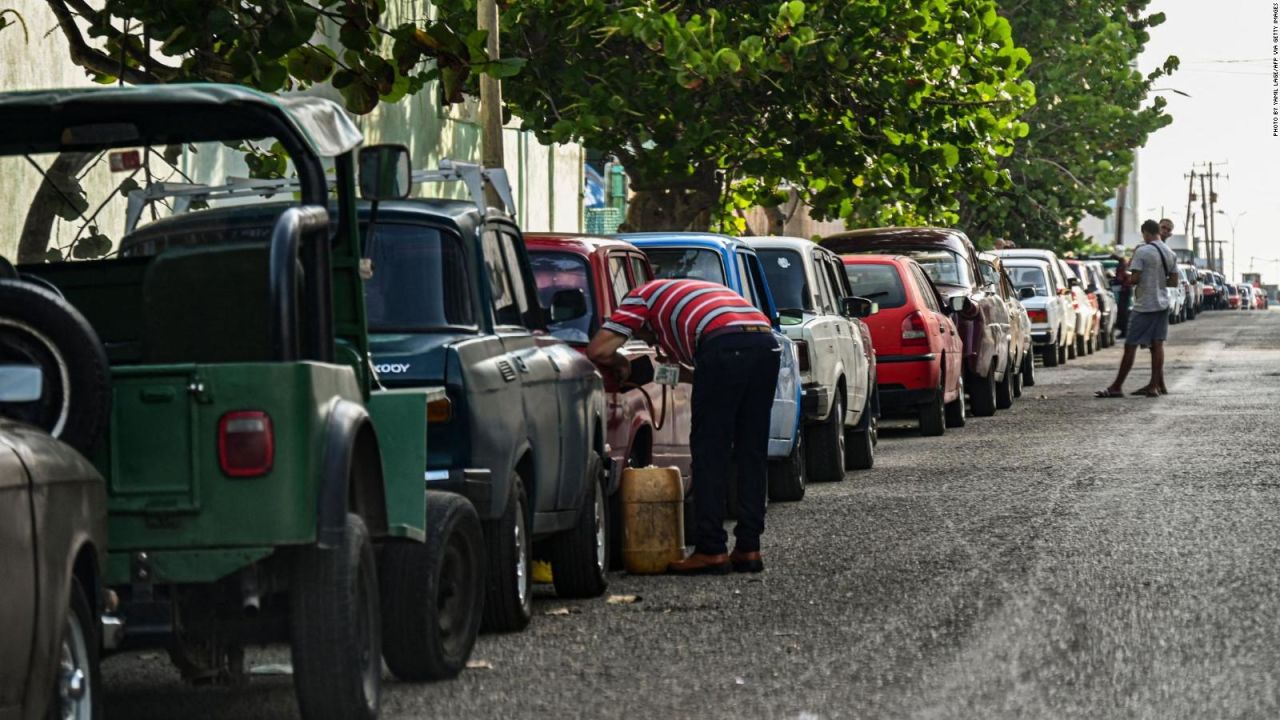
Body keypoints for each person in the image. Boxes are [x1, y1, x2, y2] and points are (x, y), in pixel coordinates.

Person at [586, 279, 780, 575]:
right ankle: (748, 549)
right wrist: (652, 372)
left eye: (642, 334)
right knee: (750, 452)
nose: (650, 343)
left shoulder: (641, 297)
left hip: (723, 345)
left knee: (709, 454)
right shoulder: (690, 296)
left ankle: (711, 551)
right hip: (765, 344)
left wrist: (620, 362)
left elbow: (599, 350)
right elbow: (701, 375)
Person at [1096, 219, 1177, 398]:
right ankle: (1154, 386)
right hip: (1162, 303)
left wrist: (1134, 277)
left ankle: (1117, 386)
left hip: (1144, 305)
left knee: (1130, 345)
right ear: (1159, 230)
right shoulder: (1170, 253)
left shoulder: (1143, 250)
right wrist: (1158, 279)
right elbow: (1173, 281)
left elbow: (1134, 278)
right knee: (1158, 345)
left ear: (1145, 233)